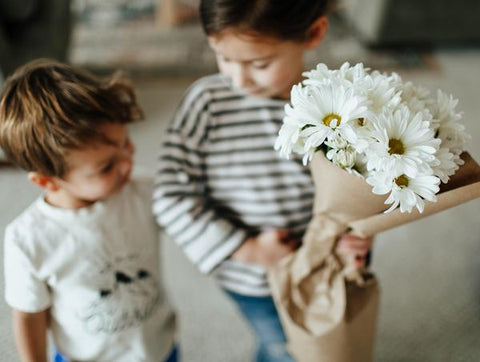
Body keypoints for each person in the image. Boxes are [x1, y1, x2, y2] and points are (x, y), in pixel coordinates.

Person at [153, 0, 373, 361]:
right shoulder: (208, 101)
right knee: (284, 347)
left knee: (331, 337)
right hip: (253, 276)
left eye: (259, 64)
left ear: (313, 34)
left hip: (329, 265)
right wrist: (250, 250)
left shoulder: (338, 102)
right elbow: (170, 195)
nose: (238, 79)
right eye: (223, 58)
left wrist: (360, 232)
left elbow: (364, 183)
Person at [0, 60, 177, 362]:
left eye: (127, 144)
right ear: (47, 181)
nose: (127, 163)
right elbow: (29, 315)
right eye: (107, 166)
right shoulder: (27, 240)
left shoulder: (143, 190)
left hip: (158, 346)